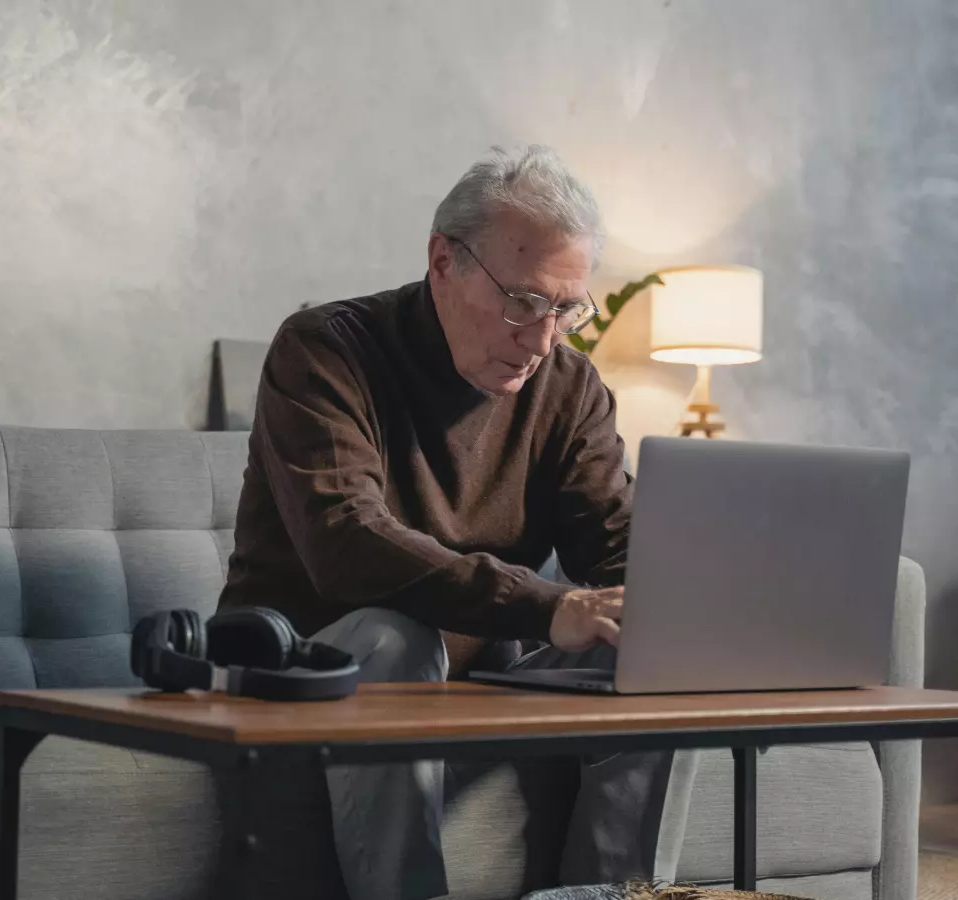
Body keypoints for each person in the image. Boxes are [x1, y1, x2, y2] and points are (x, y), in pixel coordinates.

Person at [217, 145, 675, 900]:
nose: (541, 337)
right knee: (395, 634)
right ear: (442, 262)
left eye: (566, 308)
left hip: (476, 695)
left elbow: (614, 549)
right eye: (524, 300)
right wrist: (546, 604)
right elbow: (346, 544)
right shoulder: (325, 349)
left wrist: (698, 605)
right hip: (307, 683)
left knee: (644, 651)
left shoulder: (567, 385)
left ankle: (604, 897)